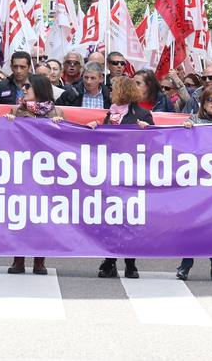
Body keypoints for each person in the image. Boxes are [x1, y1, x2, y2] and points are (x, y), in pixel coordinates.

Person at [88, 74, 152, 280]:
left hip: (131, 174)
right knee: (110, 219)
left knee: (129, 220)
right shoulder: (110, 114)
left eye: (115, 89)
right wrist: (97, 128)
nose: (112, 93)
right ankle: (110, 261)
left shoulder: (142, 114)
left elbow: (154, 143)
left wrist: (146, 130)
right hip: (111, 174)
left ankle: (130, 263)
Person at [8, 74, 61, 276]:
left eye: (28, 86)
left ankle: (40, 260)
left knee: (43, 218)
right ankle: (18, 259)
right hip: (23, 171)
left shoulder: (56, 112)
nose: (24, 89)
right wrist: (9, 123)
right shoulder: (17, 111)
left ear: (39, 89)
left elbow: (65, 143)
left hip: (47, 174)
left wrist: (59, 126)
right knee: (21, 216)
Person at [177, 84, 212, 282]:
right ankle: (185, 265)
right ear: (203, 104)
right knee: (193, 227)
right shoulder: (194, 122)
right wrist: (187, 129)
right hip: (197, 186)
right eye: (209, 100)